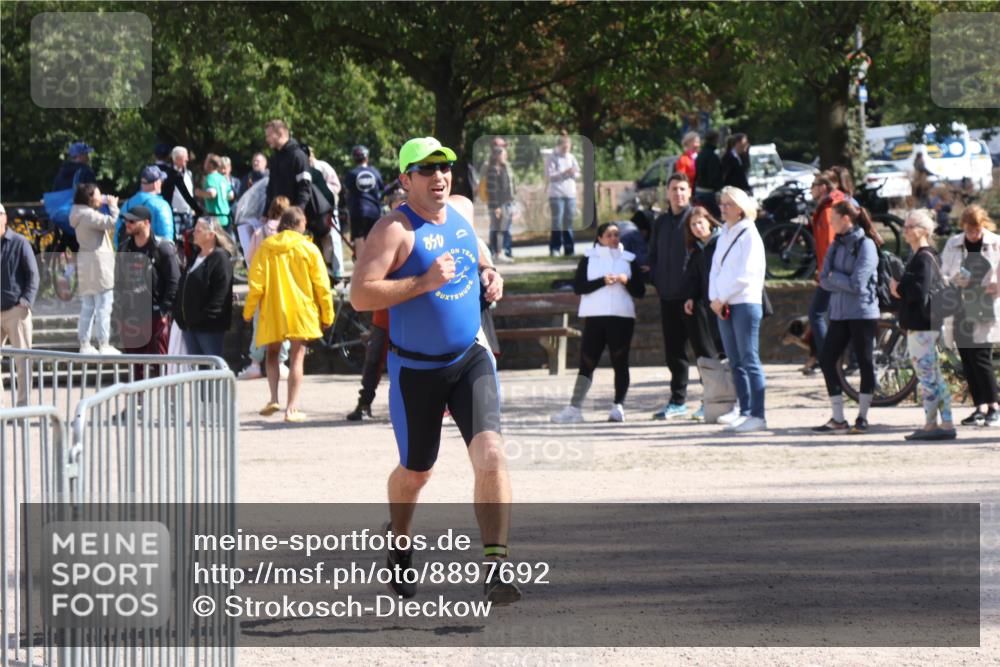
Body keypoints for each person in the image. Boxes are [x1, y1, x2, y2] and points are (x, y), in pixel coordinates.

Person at [350, 136, 519, 605]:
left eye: (443, 167)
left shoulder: (462, 209)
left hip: (470, 356)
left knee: (492, 455)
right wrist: (424, 282)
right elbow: (360, 295)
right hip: (416, 370)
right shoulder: (394, 230)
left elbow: (476, 251)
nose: (439, 176)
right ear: (406, 180)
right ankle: (399, 541)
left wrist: (490, 272)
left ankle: (496, 566)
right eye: (426, 169)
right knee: (416, 472)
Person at [244, 206, 333, 422]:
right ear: (298, 224)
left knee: (272, 354)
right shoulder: (308, 248)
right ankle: (291, 409)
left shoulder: (266, 247)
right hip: (301, 311)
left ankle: (274, 397)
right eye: (304, 224)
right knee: (297, 357)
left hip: (273, 310)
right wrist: (327, 315)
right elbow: (322, 285)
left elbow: (255, 283)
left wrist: (248, 311)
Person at [550, 222, 645, 423]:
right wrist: (603, 281)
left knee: (620, 362)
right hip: (595, 317)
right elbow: (579, 287)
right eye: (609, 235)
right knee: (587, 363)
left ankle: (618, 405)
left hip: (621, 317)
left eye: (617, 235)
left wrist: (625, 281)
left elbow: (640, 291)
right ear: (600, 238)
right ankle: (574, 408)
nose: (614, 238)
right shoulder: (589, 257)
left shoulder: (628, 259)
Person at [813, 201, 882, 435]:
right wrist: (836, 278)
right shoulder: (836, 244)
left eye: (833, 218)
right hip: (839, 312)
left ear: (846, 219)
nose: (830, 222)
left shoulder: (867, 245)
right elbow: (822, 279)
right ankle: (838, 417)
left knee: (864, 361)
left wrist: (835, 278)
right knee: (826, 359)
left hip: (863, 312)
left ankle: (862, 416)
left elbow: (858, 284)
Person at [890, 209, 956, 441]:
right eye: (905, 226)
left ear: (923, 231)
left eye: (909, 227)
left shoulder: (922, 258)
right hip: (928, 325)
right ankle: (946, 422)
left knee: (927, 376)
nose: (905, 231)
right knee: (934, 375)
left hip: (921, 327)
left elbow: (919, 292)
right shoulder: (928, 256)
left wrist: (897, 288)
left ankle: (931, 425)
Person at [346, 188, 409, 422]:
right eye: (397, 204)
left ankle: (412, 405)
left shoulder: (415, 230)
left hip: (409, 310)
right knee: (373, 358)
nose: (400, 208)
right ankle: (364, 403)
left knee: (409, 360)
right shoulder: (383, 230)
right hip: (384, 312)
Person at [709, 186, 767, 433]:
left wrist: (721, 297)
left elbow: (746, 275)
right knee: (735, 361)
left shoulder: (750, 235)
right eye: (721, 204)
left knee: (749, 359)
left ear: (741, 208)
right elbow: (715, 269)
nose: (723, 208)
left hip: (744, 301)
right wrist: (714, 298)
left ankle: (758, 414)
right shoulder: (724, 233)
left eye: (728, 204)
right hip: (724, 303)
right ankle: (744, 410)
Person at [940, 205, 1000, 427]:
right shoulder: (954, 243)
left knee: (981, 356)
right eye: (969, 229)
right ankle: (979, 406)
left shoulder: (995, 243)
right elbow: (944, 273)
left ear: (983, 224)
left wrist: (996, 286)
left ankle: (994, 405)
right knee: (967, 357)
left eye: (976, 229)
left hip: (985, 303)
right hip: (960, 304)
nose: (973, 234)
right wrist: (955, 279)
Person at [114, 205, 181, 376]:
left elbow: (174, 280)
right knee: (135, 365)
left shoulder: (162, 248)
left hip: (155, 315)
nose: (127, 224)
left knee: (162, 363)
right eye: (126, 220)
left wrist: (164, 309)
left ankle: (167, 401)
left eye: (131, 221)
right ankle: (138, 401)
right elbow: (119, 281)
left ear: (146, 223)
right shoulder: (124, 248)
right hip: (132, 316)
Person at [648, 173, 694, 419]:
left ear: (690, 192)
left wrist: (696, 292)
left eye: (683, 189)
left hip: (692, 299)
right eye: (674, 189)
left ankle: (715, 399)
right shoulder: (661, 222)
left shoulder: (696, 219)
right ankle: (678, 401)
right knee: (674, 354)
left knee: (705, 351)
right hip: (667, 297)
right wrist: (655, 277)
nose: (678, 194)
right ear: (668, 193)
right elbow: (652, 254)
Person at [240, 197, 292, 381]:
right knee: (283, 324)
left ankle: (255, 363)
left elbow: (250, 258)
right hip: (284, 286)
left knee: (259, 325)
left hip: (263, 286)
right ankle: (281, 363)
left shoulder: (260, 232)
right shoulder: (288, 234)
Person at [70, 183, 121, 354]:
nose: (102, 197)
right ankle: (104, 344)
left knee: (88, 305)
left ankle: (84, 343)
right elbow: (112, 222)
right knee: (104, 305)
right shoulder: (89, 216)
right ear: (90, 198)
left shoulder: (77, 213)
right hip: (99, 264)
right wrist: (113, 206)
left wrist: (103, 204)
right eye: (99, 195)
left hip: (86, 262)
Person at [173, 218, 235, 358]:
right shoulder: (196, 256)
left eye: (198, 230)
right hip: (189, 327)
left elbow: (220, 296)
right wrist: (178, 313)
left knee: (212, 370)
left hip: (208, 328)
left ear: (211, 234)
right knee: (198, 371)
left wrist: (203, 318)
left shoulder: (220, 258)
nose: (193, 233)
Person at [804, 173, 847, 373]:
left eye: (813, 185)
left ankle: (828, 358)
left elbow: (830, 243)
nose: (810, 189)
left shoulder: (829, 209)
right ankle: (831, 358)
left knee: (817, 314)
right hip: (833, 272)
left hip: (831, 273)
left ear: (822, 187)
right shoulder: (833, 205)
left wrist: (825, 271)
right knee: (835, 315)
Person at [0, 204, 39, 406]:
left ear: (4, 218)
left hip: (16, 310)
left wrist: (26, 301)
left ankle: (23, 406)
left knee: (22, 361)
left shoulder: (19, 242)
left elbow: (33, 274)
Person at [682, 206, 725, 388]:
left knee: (730, 349)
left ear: (709, 221)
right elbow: (697, 278)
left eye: (700, 222)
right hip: (710, 306)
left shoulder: (722, 241)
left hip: (727, 302)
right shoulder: (698, 250)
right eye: (693, 225)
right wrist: (691, 297)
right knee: (719, 348)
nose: (697, 227)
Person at [343, 144, 384, 260]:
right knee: (375, 239)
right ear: (367, 157)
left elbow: (346, 191)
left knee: (359, 239)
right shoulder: (374, 172)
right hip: (374, 211)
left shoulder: (352, 174)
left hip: (358, 211)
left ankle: (362, 268)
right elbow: (382, 188)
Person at [117, 166, 174, 246]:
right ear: (156, 184)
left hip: (128, 256)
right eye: (161, 181)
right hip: (152, 256)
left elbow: (117, 235)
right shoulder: (162, 206)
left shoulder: (126, 204)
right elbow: (167, 239)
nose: (162, 183)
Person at [264, 119, 311, 211]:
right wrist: (266, 213)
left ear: (280, 133)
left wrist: (297, 212)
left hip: (293, 215)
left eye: (269, 136)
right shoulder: (274, 158)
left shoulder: (298, 156)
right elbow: (271, 188)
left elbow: (304, 188)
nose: (267, 139)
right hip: (277, 214)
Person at [546, 133, 580, 257]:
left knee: (569, 223)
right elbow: (550, 176)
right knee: (557, 223)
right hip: (556, 195)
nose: (566, 148)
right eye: (564, 146)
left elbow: (577, 174)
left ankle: (569, 249)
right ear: (559, 145)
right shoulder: (552, 157)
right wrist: (565, 173)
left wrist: (573, 173)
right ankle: (555, 248)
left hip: (570, 194)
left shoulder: (571, 157)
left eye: (568, 146)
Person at [484, 140, 516, 263]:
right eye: (503, 155)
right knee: (497, 228)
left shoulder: (504, 168)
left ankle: (501, 252)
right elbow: (491, 189)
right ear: (497, 156)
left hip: (506, 203)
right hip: (497, 205)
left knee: (504, 228)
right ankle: (497, 253)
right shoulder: (492, 170)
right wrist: (496, 206)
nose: (505, 157)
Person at [163, 146, 201, 240]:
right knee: (176, 239)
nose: (187, 159)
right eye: (185, 157)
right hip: (175, 213)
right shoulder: (168, 174)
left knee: (188, 241)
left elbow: (189, 193)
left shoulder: (189, 173)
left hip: (188, 214)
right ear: (177, 158)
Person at [195, 154, 232, 230]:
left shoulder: (210, 177)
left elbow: (212, 193)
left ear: (210, 165)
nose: (204, 164)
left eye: (206, 162)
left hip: (215, 218)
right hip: (226, 217)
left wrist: (199, 193)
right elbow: (231, 195)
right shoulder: (222, 178)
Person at [694, 131, 723, 218]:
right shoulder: (713, 156)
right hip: (709, 193)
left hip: (698, 191)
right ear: (715, 140)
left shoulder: (700, 155)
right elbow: (713, 176)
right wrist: (718, 190)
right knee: (717, 218)